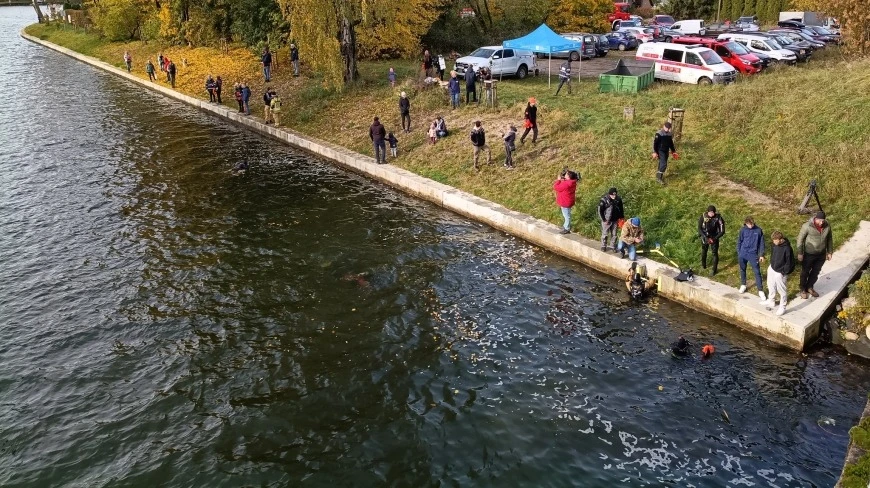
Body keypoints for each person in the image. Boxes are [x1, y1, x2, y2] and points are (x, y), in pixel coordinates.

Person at [796, 211, 833, 299]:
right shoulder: (807, 226)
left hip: (821, 254)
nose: (821, 222)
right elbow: (800, 240)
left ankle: (810, 287)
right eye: (819, 220)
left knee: (815, 272)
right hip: (809, 254)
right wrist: (800, 253)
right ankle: (802, 289)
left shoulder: (827, 226)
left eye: (823, 220)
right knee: (805, 272)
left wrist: (830, 252)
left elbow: (829, 239)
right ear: (815, 219)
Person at [761, 231, 795, 316]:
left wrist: (784, 272)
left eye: (775, 240)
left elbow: (789, 263)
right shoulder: (774, 245)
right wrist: (771, 264)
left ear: (780, 239)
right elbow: (773, 254)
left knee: (782, 290)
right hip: (772, 268)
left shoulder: (787, 248)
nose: (773, 242)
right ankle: (771, 300)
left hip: (781, 272)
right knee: (770, 285)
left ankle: (782, 306)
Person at [737, 216, 766, 299]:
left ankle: (760, 290)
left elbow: (761, 244)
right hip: (743, 253)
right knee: (742, 269)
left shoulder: (758, 230)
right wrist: (739, 252)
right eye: (749, 224)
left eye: (752, 224)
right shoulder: (743, 230)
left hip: (753, 254)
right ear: (746, 223)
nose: (751, 226)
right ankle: (743, 285)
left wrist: (761, 254)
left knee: (757, 272)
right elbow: (739, 241)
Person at [698, 205, 726, 276]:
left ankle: (714, 269)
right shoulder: (703, 216)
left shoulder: (718, 218)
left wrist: (715, 238)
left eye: (713, 212)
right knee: (704, 251)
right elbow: (699, 228)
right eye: (710, 212)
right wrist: (705, 237)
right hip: (705, 236)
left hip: (714, 237)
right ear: (707, 212)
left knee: (714, 253)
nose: (711, 214)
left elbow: (722, 231)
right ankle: (703, 265)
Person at [598, 187, 624, 252]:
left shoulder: (618, 199)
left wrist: (621, 218)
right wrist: (604, 220)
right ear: (609, 194)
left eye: (615, 195)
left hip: (615, 220)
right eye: (612, 195)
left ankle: (612, 246)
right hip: (606, 220)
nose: (614, 196)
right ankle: (603, 246)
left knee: (614, 234)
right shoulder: (604, 200)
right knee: (605, 234)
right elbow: (600, 211)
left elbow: (621, 209)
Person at [553, 168, 579, 234]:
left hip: (565, 202)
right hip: (569, 201)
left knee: (566, 216)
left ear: (569, 177)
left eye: (566, 175)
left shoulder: (566, 184)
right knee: (567, 214)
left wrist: (558, 180)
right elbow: (566, 184)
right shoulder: (572, 182)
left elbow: (556, 187)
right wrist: (564, 180)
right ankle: (565, 226)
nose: (565, 175)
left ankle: (567, 229)